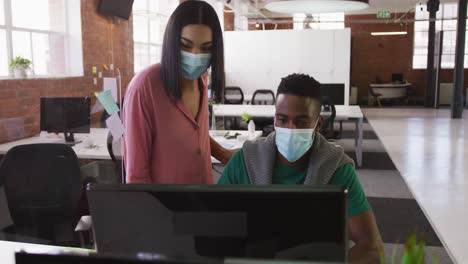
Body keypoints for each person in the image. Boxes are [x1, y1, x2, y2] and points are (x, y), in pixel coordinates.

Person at [218, 74, 383, 264]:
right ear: (274, 120)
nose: (291, 129)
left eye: (302, 121)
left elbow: (372, 248)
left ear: (318, 124)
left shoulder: (337, 168)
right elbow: (214, 231)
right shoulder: (245, 161)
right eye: (283, 119)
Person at [123, 0, 233, 184]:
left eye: (206, 48)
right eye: (185, 45)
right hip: (165, 208)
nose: (196, 55)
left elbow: (196, 135)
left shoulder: (202, 80)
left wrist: (222, 153)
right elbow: (137, 175)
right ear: (172, 42)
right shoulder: (145, 88)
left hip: (203, 202)